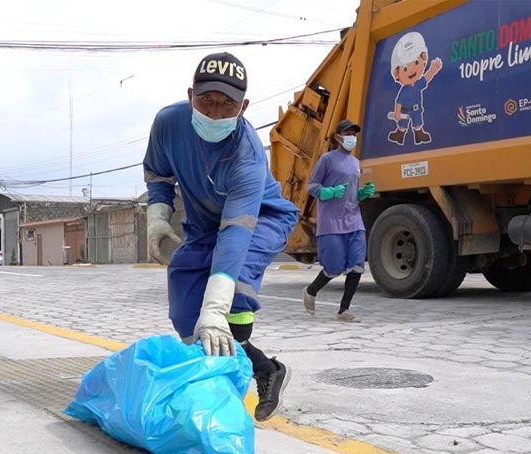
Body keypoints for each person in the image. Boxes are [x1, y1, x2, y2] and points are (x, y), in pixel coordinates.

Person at [143, 52, 299, 422]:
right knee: (186, 312)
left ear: (243, 107)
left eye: (227, 104)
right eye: (206, 100)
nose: (214, 112)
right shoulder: (168, 123)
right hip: (202, 223)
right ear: (190, 95)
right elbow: (158, 175)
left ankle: (225, 399)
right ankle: (266, 367)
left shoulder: (247, 155)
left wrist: (215, 311)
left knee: (234, 293)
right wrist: (157, 218)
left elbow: (234, 236)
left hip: (259, 220)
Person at [302, 119, 375, 322]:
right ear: (338, 137)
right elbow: (312, 186)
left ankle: (344, 310)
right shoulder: (327, 159)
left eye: (354, 133)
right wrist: (328, 192)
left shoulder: (355, 163)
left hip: (353, 220)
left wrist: (362, 194)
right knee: (334, 267)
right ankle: (311, 290)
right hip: (331, 221)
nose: (352, 137)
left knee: (357, 264)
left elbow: (351, 193)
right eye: (348, 132)